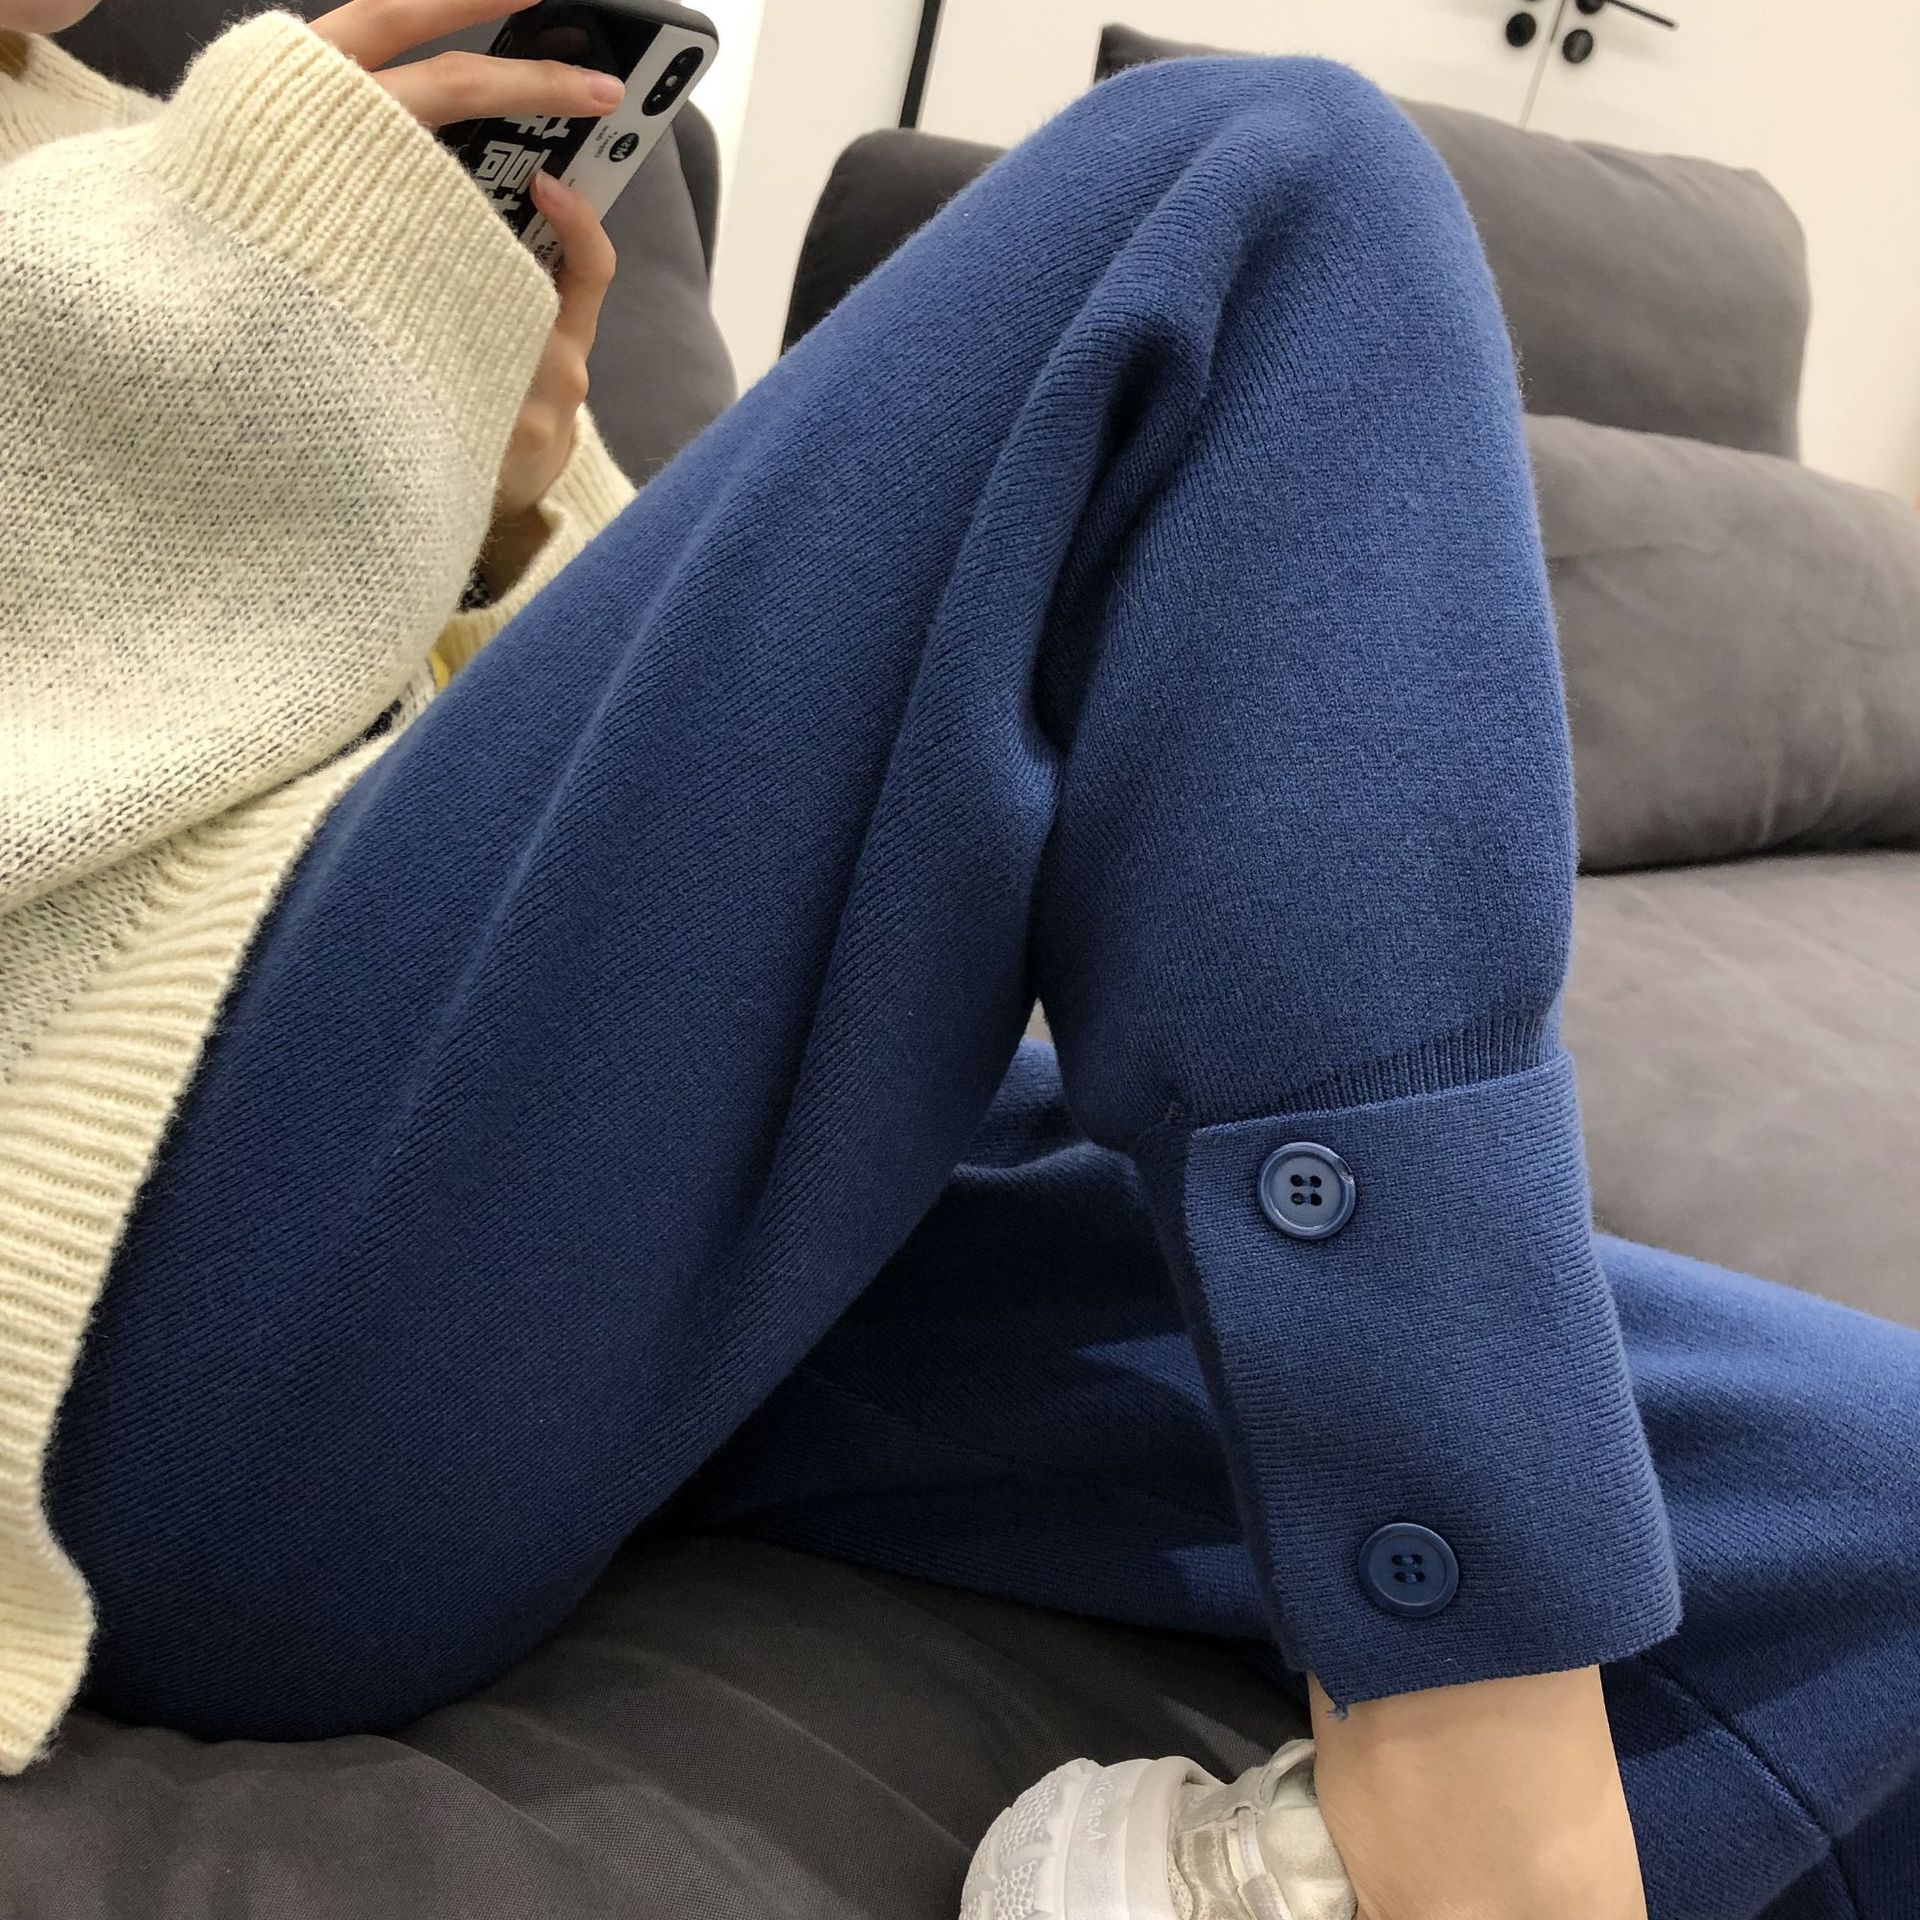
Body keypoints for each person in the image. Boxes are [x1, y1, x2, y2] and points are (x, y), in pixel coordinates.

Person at [1, 2, 1914, 1916]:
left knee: (1873, 1498)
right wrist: (238, 247)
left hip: (552, 1218)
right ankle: (1473, 1841)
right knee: (1255, 190)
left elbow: (541, 793)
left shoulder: (115, 126)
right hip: (134, 1321)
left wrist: (489, 510)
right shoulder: (173, 173)